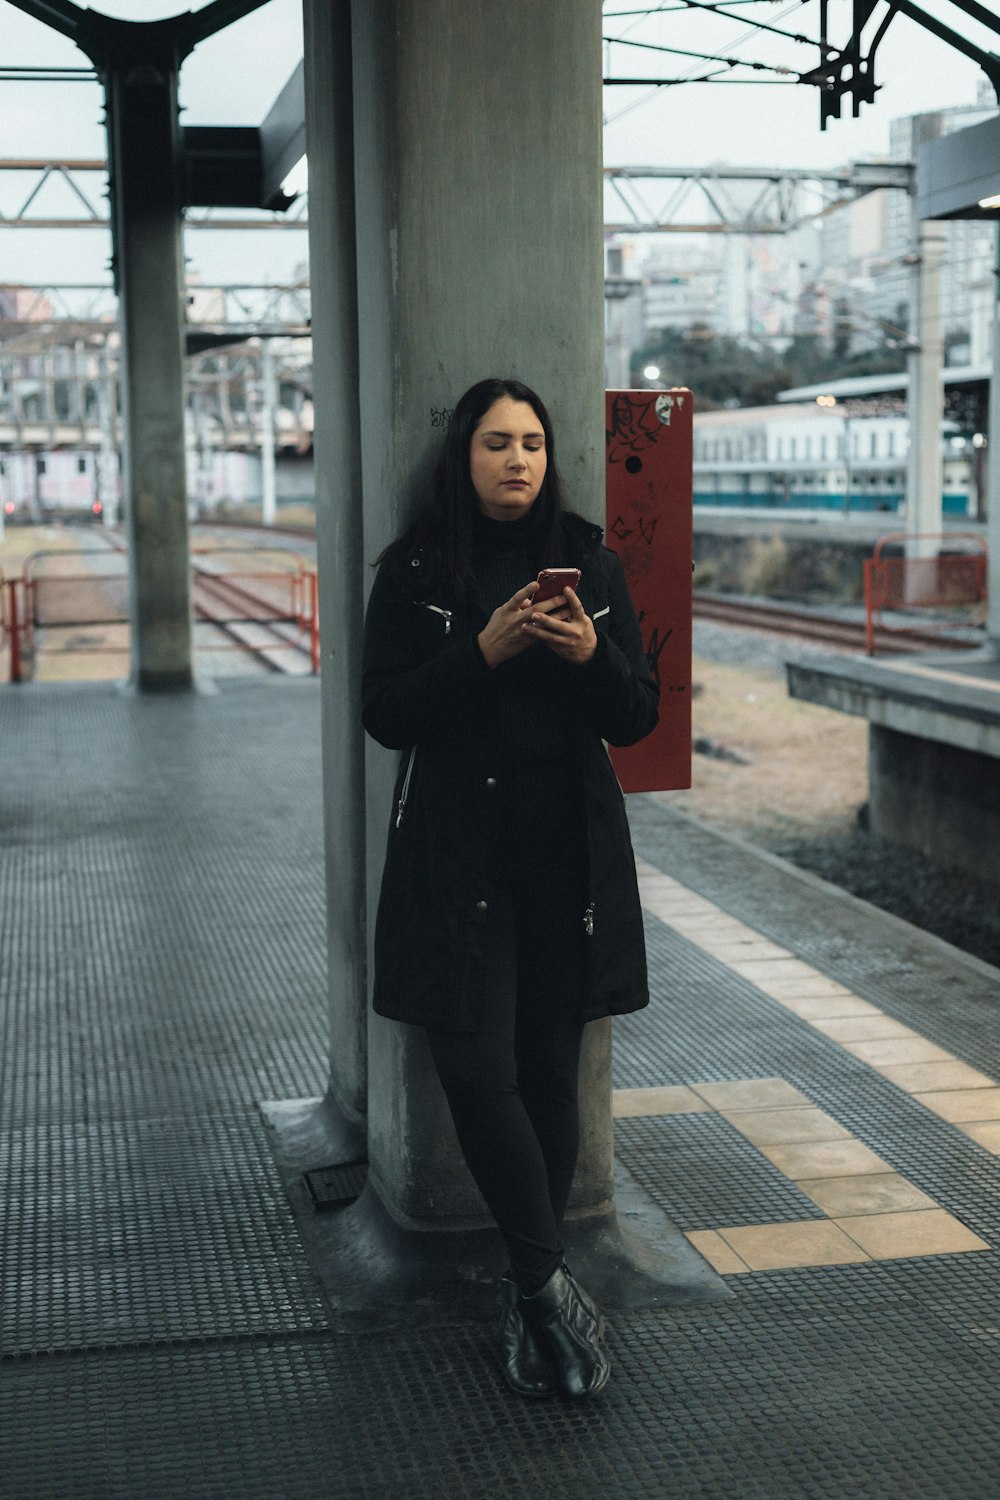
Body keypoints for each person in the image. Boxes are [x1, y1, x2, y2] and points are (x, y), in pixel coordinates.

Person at [362, 377, 658, 1401]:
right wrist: (478, 652)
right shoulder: (411, 575)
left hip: (563, 869)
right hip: (456, 867)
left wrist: (589, 655)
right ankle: (542, 1288)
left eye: (531, 441)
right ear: (464, 455)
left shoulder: (592, 564)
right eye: (496, 442)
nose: (517, 460)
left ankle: (533, 1291)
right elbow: (386, 713)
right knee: (475, 1072)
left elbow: (636, 717)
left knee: (545, 1074)